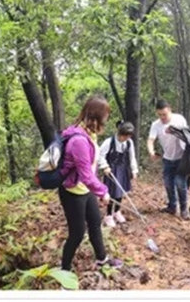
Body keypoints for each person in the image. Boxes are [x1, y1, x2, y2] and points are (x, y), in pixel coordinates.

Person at [58, 95, 122, 272]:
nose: (107, 119)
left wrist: (98, 188)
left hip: (85, 190)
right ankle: (65, 270)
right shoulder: (79, 140)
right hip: (72, 192)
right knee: (77, 234)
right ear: (96, 116)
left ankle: (102, 259)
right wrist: (103, 191)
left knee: (95, 224)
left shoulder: (89, 133)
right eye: (105, 116)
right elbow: (86, 175)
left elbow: (90, 166)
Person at [147, 99, 190, 220]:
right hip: (167, 158)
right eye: (159, 115)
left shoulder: (179, 119)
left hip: (182, 157)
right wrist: (151, 152)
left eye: (164, 114)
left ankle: (184, 209)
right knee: (168, 183)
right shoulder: (156, 124)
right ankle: (172, 206)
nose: (162, 117)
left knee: (180, 183)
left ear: (170, 110)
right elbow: (151, 140)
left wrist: (174, 131)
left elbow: (187, 135)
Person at [98, 121, 138, 227]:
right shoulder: (109, 142)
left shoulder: (129, 143)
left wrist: (134, 170)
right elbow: (100, 155)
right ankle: (109, 215)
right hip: (111, 170)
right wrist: (105, 166)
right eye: (124, 136)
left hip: (123, 170)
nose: (125, 139)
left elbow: (132, 157)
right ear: (119, 133)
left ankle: (117, 211)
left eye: (128, 136)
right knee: (112, 193)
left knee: (120, 192)